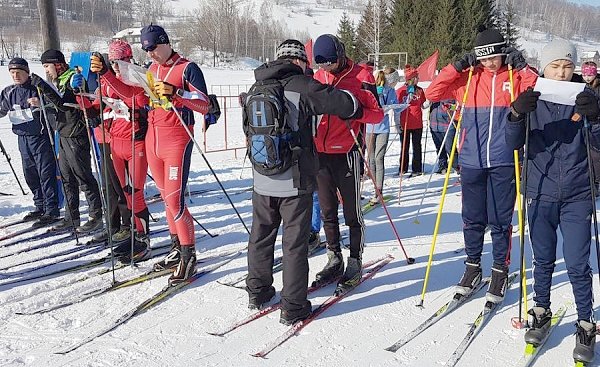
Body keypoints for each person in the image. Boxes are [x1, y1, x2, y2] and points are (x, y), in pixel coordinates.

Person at [244, 39, 378, 325]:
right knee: (293, 244)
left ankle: (258, 291)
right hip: (294, 179)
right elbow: (343, 102)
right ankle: (293, 306)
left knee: (260, 236)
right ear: (299, 61)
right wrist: (358, 100)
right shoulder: (300, 85)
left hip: (261, 177)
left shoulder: (257, 86)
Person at [91, 24, 216, 284]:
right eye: (145, 50)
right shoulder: (151, 69)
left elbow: (204, 105)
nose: (149, 54)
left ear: (164, 42)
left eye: (152, 48)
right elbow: (135, 98)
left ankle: (188, 254)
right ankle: (175, 247)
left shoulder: (187, 67)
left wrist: (178, 93)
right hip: (153, 141)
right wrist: (106, 75)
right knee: (165, 198)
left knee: (175, 200)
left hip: (176, 141)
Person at [425, 27, 538, 304]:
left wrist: (522, 66)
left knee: (500, 221)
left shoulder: (512, 76)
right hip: (471, 159)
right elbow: (434, 92)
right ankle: (472, 267)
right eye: (484, 58)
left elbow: (537, 90)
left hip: (504, 159)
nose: (489, 63)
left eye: (494, 57)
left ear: (503, 53)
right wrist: (457, 65)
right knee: (472, 218)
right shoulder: (467, 78)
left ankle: (500, 270)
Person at [505, 39, 600, 364]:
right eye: (555, 65)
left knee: (576, 263)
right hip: (540, 190)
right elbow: (512, 144)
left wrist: (597, 119)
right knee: (543, 259)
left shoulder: (588, 97)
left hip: (577, 192)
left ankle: (586, 325)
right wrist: (516, 114)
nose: (561, 72)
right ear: (544, 66)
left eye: (567, 65)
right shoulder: (533, 97)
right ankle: (541, 310)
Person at [311, 34, 383, 292]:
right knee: (327, 211)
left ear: (340, 55)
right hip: (321, 153)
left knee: (352, 212)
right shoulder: (318, 76)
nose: (326, 69)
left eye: (330, 63)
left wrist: (356, 112)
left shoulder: (363, 76)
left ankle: (355, 259)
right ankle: (334, 256)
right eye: (321, 65)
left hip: (348, 152)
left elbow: (378, 115)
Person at [77, 40, 151, 262]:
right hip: (115, 143)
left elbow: (133, 98)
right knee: (125, 193)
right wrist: (79, 94)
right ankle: (132, 232)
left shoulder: (137, 76)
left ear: (128, 59)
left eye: (119, 61)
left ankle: (144, 238)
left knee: (136, 192)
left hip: (135, 143)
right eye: (112, 62)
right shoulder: (107, 82)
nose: (116, 66)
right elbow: (95, 107)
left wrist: (107, 73)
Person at [31, 49, 104, 234]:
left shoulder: (73, 77)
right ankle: (71, 217)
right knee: (66, 177)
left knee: (83, 176)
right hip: (63, 132)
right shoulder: (59, 79)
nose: (47, 71)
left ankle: (96, 216)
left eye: (47, 66)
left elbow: (64, 105)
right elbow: (57, 105)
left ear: (57, 64)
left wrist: (43, 87)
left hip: (76, 133)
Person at [0, 57, 60, 227]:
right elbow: (1, 110)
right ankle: (39, 205)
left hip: (40, 136)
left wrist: (41, 103)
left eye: (19, 72)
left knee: (45, 173)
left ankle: (51, 208)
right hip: (22, 137)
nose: (15, 75)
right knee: (30, 173)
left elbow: (57, 103)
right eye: (12, 72)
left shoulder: (38, 87)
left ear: (27, 72)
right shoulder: (9, 91)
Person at [365, 68, 399, 204]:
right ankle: (375, 188)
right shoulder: (373, 88)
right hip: (370, 127)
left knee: (379, 158)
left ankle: (379, 191)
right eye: (395, 80)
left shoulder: (390, 91)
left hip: (383, 128)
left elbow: (392, 106)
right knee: (371, 159)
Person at [396, 64, 426, 177]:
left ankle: (417, 169)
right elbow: (397, 106)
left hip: (417, 123)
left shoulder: (420, 90)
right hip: (405, 122)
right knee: (404, 146)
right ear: (412, 79)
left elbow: (423, 104)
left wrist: (429, 102)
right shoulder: (401, 90)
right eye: (417, 77)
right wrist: (397, 122)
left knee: (417, 146)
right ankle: (403, 168)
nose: (418, 79)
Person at [581, 61, 600, 193]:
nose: (587, 77)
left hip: (595, 123)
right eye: (585, 74)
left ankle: (596, 182)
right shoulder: (580, 86)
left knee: (595, 155)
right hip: (584, 123)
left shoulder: (597, 88)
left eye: (590, 74)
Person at [429, 99, 458, 174]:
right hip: (435, 125)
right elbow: (424, 105)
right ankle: (443, 166)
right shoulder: (433, 94)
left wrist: (449, 106)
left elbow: (458, 107)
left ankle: (456, 166)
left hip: (448, 125)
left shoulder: (451, 92)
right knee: (439, 148)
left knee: (450, 148)